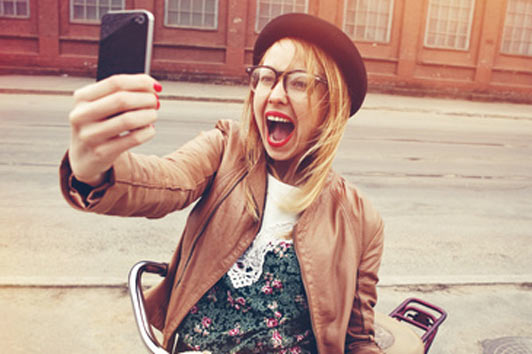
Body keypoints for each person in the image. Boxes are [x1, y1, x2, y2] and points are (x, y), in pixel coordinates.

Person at [60, 13, 384, 354]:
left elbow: (359, 339)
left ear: (330, 105)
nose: (274, 95)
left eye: (298, 82)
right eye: (265, 77)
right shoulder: (226, 149)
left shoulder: (361, 219)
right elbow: (165, 181)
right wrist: (93, 169)